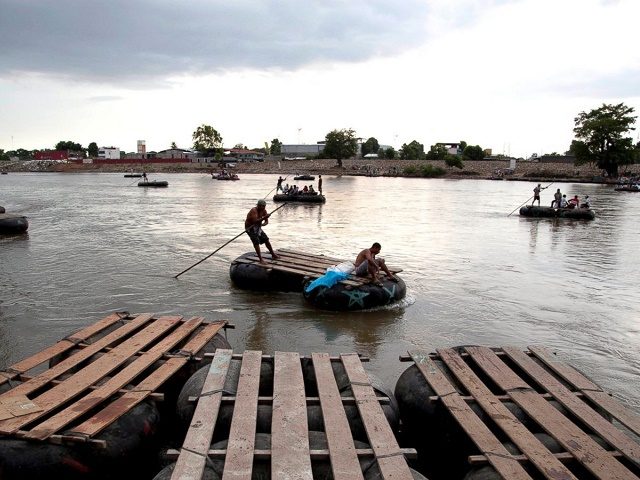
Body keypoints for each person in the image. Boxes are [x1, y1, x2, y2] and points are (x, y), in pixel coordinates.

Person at [245, 200, 279, 264]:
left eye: (264, 206)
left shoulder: (264, 211)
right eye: (261, 206)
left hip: (258, 228)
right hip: (250, 228)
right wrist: (264, 218)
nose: (263, 208)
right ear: (258, 206)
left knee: (266, 240)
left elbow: (266, 221)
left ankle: (273, 254)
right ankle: (261, 259)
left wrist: (263, 224)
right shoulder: (253, 211)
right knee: (256, 242)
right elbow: (255, 221)